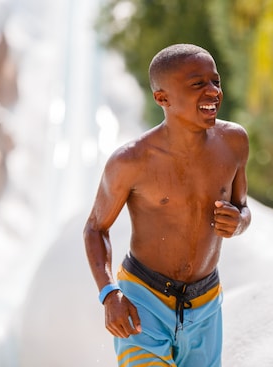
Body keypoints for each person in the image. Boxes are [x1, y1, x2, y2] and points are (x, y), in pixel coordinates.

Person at [83, 43, 251, 367]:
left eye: (215, 81)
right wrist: (109, 293)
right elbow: (95, 228)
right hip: (143, 303)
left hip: (205, 304)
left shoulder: (234, 142)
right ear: (163, 98)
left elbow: (242, 208)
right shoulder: (130, 160)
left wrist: (240, 221)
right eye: (197, 84)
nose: (213, 91)